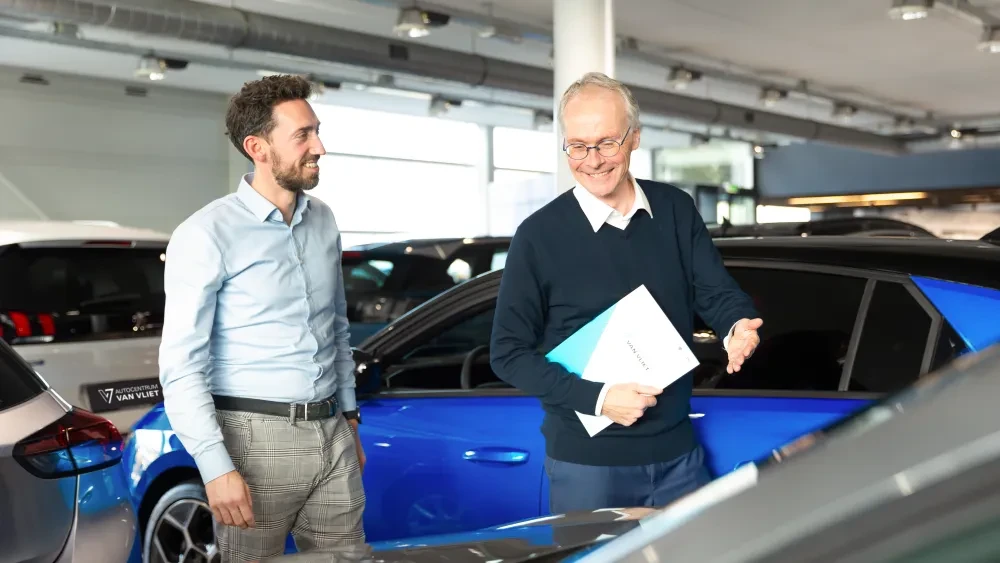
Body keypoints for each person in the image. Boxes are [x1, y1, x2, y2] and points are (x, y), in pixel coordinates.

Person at [489, 72, 763, 514]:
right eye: (577, 146)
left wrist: (736, 325)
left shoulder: (674, 209)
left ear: (634, 138)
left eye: (606, 143)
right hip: (588, 466)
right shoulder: (538, 236)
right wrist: (597, 398)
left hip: (678, 455)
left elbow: (715, 291)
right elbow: (507, 353)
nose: (592, 160)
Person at [158, 74, 365, 561]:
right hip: (253, 439)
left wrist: (350, 421)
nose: (320, 146)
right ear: (258, 147)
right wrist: (215, 467)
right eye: (303, 135)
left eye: (317, 130)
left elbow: (335, 327)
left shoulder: (325, 220)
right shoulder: (206, 233)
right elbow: (181, 365)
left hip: (332, 430)